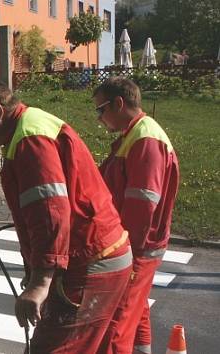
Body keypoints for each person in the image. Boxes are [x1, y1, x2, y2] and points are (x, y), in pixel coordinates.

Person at [0, 80, 132, 353]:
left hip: (91, 262)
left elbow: (50, 211)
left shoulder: (30, 139)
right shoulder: (29, 127)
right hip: (102, 255)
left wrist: (40, 282)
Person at [94, 77, 179, 354]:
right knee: (137, 309)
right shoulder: (134, 135)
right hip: (135, 245)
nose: (99, 119)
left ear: (118, 103)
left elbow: (142, 205)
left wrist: (126, 253)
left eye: (101, 110)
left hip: (135, 247)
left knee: (118, 319)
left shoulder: (145, 139)